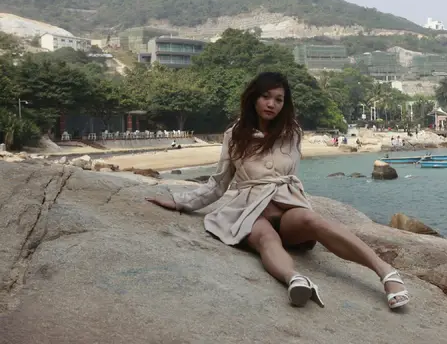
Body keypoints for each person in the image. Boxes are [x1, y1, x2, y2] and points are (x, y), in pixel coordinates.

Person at [145, 71, 409, 310]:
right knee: (265, 238)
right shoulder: (235, 135)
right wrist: (181, 202)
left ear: (285, 104)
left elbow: (288, 176)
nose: (271, 104)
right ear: (254, 98)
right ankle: (296, 280)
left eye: (279, 99)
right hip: (250, 210)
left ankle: (386, 273)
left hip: (286, 206)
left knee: (314, 220)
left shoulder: (292, 132)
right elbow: (219, 183)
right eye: (266, 97)